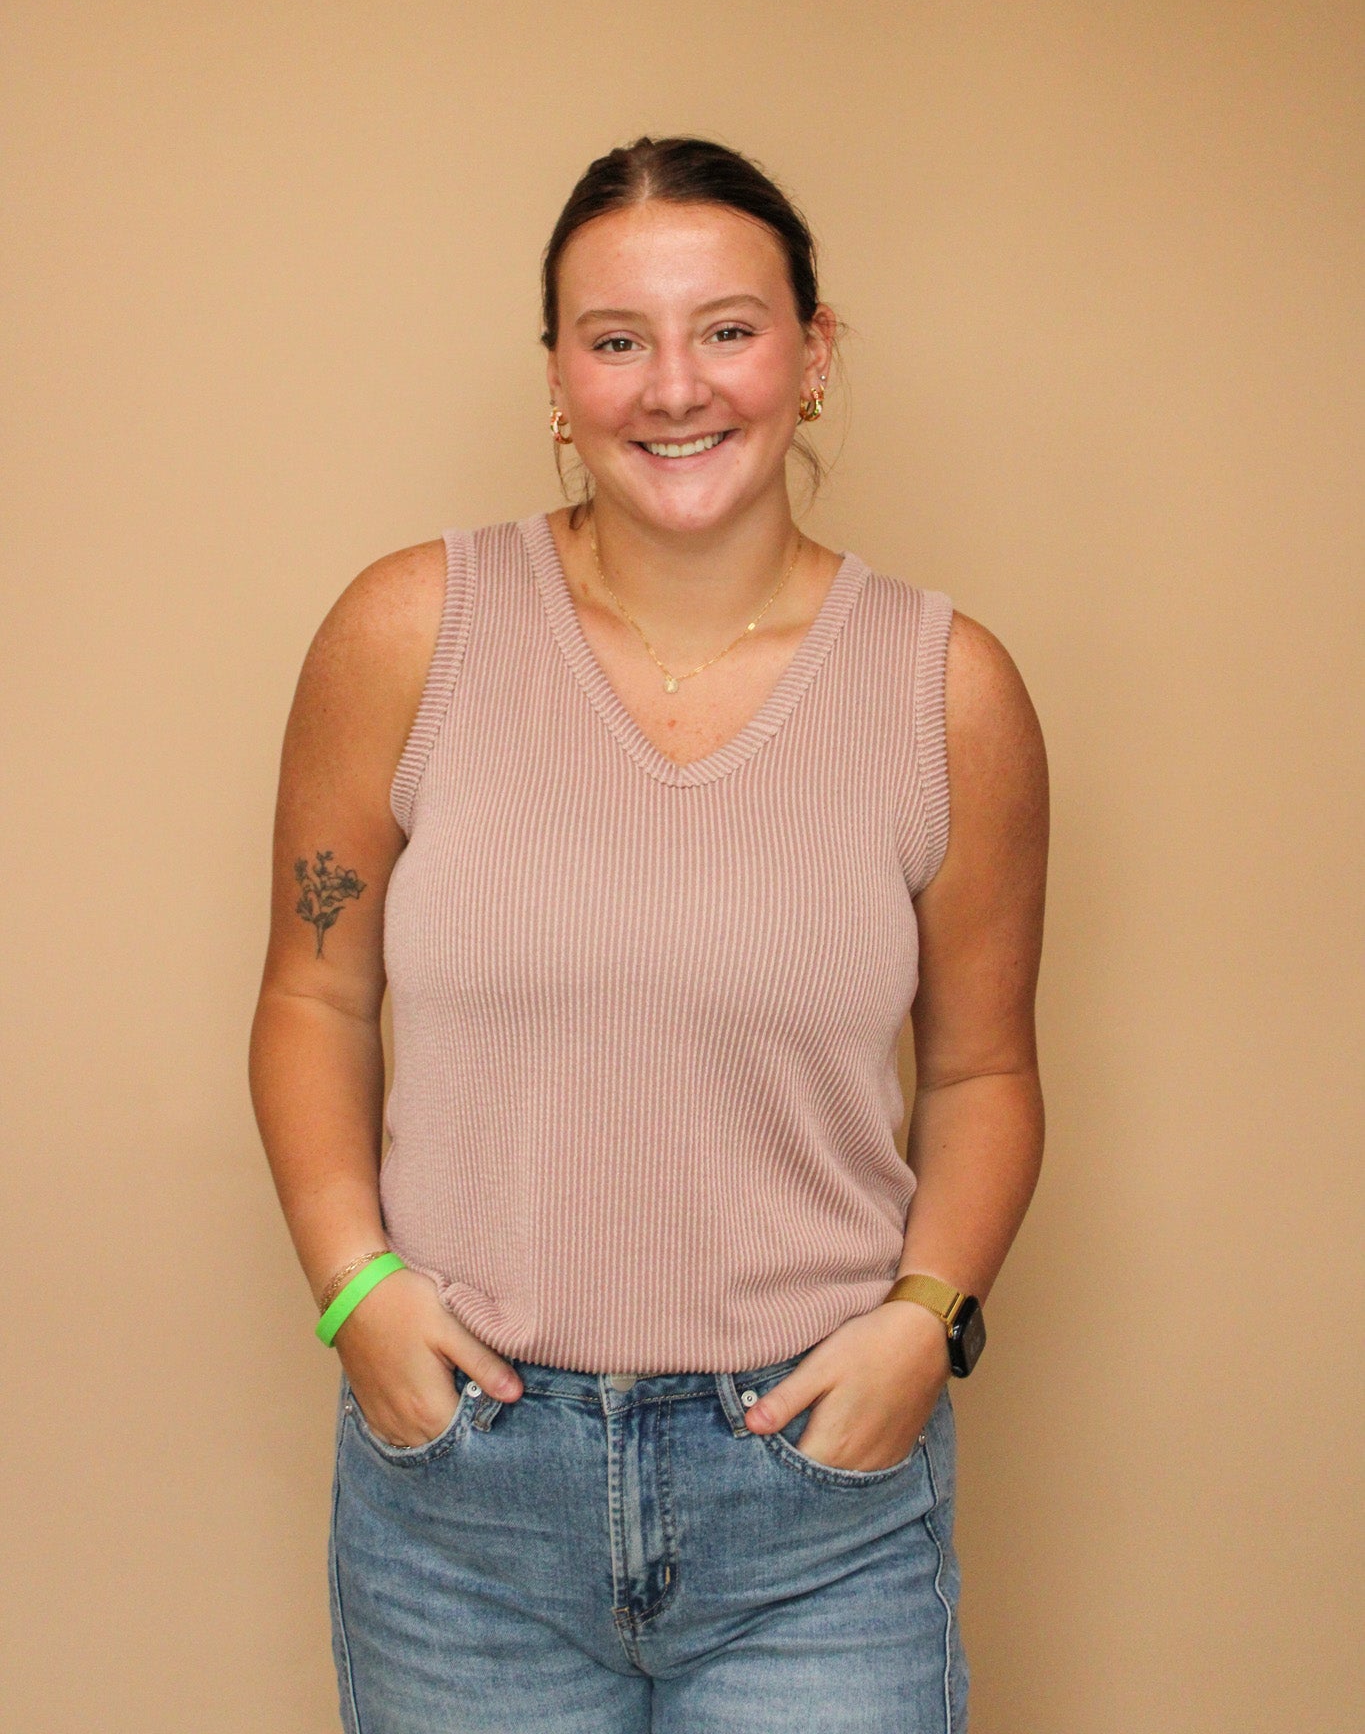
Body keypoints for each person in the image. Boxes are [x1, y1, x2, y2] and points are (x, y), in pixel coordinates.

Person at [249, 135, 1048, 1733]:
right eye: (616, 339)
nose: (673, 387)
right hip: (462, 1498)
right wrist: (352, 1289)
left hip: (814, 1501)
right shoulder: (407, 632)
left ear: (811, 354)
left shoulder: (945, 691)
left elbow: (982, 1073)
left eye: (728, 329)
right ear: (558, 375)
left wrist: (925, 1320)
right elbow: (312, 996)